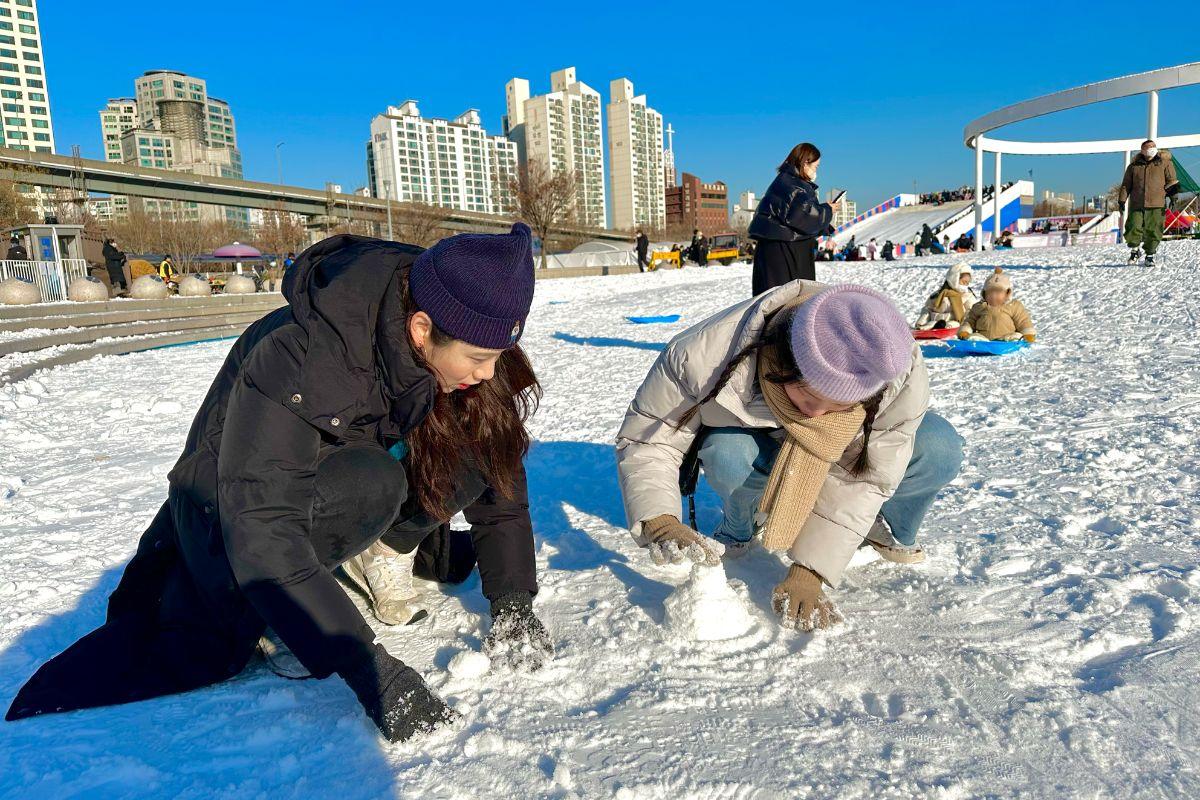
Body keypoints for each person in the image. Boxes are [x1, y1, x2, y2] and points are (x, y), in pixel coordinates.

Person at [6, 225, 553, 743]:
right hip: (228, 505)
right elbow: (262, 525)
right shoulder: (301, 354)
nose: (487, 370)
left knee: (485, 432)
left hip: (330, 478)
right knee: (372, 482)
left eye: (496, 355)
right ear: (420, 330)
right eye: (479, 358)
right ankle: (283, 611)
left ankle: (376, 548)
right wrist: (369, 669)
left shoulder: (458, 312)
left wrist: (513, 602)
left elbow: (501, 475)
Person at [616, 282, 963, 631]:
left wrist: (811, 569)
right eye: (808, 397)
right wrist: (658, 518)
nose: (817, 417)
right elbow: (651, 438)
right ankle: (741, 523)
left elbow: (869, 476)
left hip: (840, 457)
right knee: (727, 451)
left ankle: (882, 526)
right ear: (781, 359)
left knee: (938, 445)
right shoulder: (702, 355)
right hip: (756, 443)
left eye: (840, 407)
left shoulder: (894, 370)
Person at [749, 142, 839, 294]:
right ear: (805, 163)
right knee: (785, 299)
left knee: (776, 298)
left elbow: (793, 215)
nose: (817, 171)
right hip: (785, 251)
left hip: (778, 247)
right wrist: (827, 210)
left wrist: (825, 222)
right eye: (816, 166)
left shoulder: (786, 180)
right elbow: (803, 216)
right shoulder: (794, 185)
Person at [1120, 139, 1180, 267]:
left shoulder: (1165, 163)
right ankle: (1135, 250)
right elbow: (1126, 185)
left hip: (1157, 203)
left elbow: (1172, 181)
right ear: (1142, 150)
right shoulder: (1133, 166)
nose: (1151, 149)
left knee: (1153, 230)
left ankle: (1150, 255)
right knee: (1133, 227)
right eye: (1148, 147)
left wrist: (1173, 198)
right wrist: (1121, 200)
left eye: (1153, 146)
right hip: (1137, 203)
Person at [958, 268, 1036, 342]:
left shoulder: (1013, 306)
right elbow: (970, 321)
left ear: (1007, 293)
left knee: (1016, 336)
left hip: (1007, 340)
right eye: (990, 292)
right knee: (974, 337)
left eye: (998, 292)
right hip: (984, 340)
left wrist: (1027, 333)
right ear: (984, 293)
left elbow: (1023, 321)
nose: (993, 296)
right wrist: (965, 331)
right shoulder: (979, 306)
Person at [914, 263, 976, 330]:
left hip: (955, 322)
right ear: (954, 279)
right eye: (963, 282)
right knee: (931, 323)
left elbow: (970, 312)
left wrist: (966, 325)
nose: (965, 285)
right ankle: (923, 328)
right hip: (935, 320)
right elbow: (928, 309)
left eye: (967, 283)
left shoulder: (967, 296)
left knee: (953, 324)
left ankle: (942, 328)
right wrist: (921, 322)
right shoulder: (939, 294)